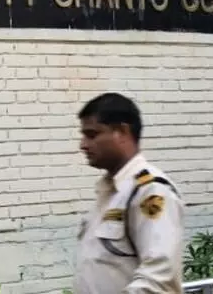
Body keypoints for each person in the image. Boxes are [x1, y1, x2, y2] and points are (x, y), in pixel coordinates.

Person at [72, 92, 185, 294]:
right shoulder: (112, 193)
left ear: (122, 132)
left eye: (92, 134)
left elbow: (158, 280)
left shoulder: (150, 191)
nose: (83, 145)